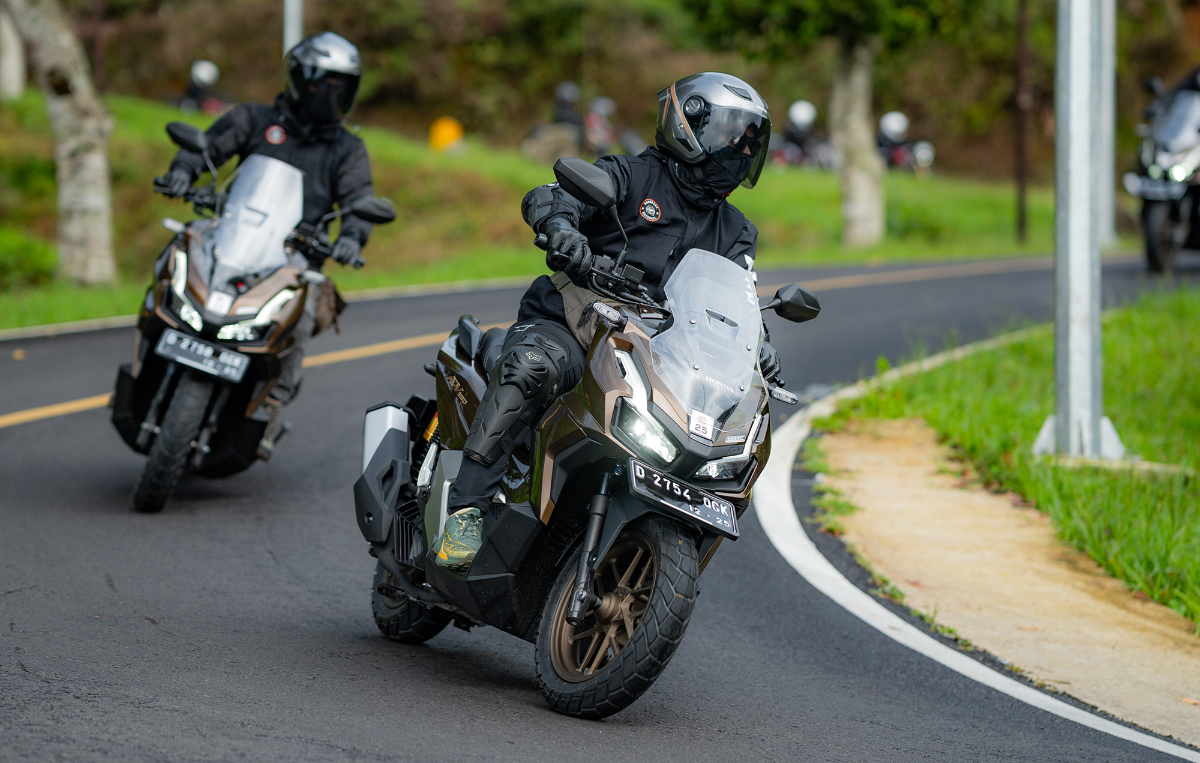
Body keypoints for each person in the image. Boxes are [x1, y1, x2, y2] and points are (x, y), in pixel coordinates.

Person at [433, 72, 782, 571]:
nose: (740, 150)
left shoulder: (735, 230)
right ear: (689, 124)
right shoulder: (632, 175)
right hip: (575, 325)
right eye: (730, 134)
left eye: (749, 142)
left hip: (658, 355)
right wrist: (561, 229)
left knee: (720, 437)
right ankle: (465, 509)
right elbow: (551, 195)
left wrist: (762, 344)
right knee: (532, 369)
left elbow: (743, 295)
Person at [155, 32, 376, 460]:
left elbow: (358, 201)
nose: (331, 93)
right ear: (299, 78)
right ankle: (150, 347)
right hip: (231, 240)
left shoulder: (348, 148)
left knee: (300, 322)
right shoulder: (255, 119)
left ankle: (270, 406)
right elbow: (206, 149)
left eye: (341, 86)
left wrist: (351, 237)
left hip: (292, 264)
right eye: (323, 82)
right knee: (175, 257)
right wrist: (183, 172)